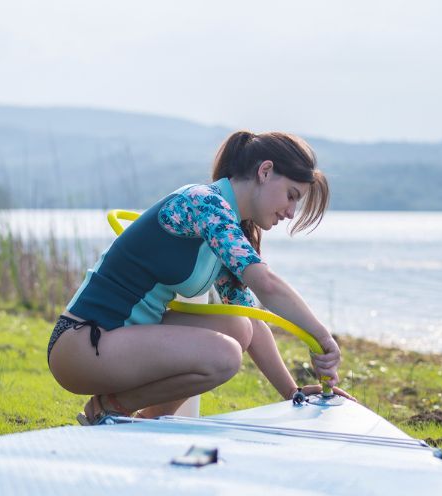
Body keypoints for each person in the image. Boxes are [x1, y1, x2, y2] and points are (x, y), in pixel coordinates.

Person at [47, 130, 346, 424]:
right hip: (82, 344)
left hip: (119, 339)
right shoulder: (203, 203)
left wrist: (292, 394)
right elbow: (267, 284)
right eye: (291, 196)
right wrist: (321, 337)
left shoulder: (226, 225)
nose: (291, 212)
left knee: (239, 328)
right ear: (265, 171)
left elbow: (252, 320)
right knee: (225, 355)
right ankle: (111, 409)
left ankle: (148, 421)